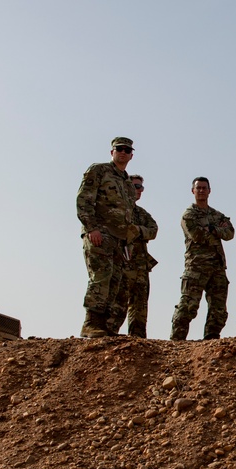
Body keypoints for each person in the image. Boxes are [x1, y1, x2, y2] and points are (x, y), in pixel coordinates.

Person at [75, 136, 138, 338]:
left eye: (127, 150)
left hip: (119, 241)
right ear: (112, 152)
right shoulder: (99, 170)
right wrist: (91, 228)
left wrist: (127, 242)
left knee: (115, 282)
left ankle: (105, 328)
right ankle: (91, 324)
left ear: (131, 155)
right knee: (100, 277)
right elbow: (84, 199)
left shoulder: (128, 183)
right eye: (119, 149)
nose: (123, 152)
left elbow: (127, 214)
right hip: (99, 234)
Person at [170, 177, 234, 340]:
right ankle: (177, 340)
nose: (201, 190)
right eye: (198, 188)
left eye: (204, 188)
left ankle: (211, 339)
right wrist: (217, 230)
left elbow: (230, 233)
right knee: (188, 305)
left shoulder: (217, 214)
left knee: (218, 308)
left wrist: (211, 228)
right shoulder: (189, 215)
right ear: (193, 191)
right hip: (196, 266)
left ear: (209, 191)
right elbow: (197, 235)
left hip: (217, 266)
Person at [107, 174, 158, 338]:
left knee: (140, 307)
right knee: (117, 306)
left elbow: (153, 230)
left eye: (140, 187)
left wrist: (137, 230)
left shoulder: (142, 214)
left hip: (140, 266)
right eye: (135, 186)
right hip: (122, 264)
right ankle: (106, 339)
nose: (138, 190)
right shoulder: (117, 208)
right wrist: (134, 231)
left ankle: (137, 343)